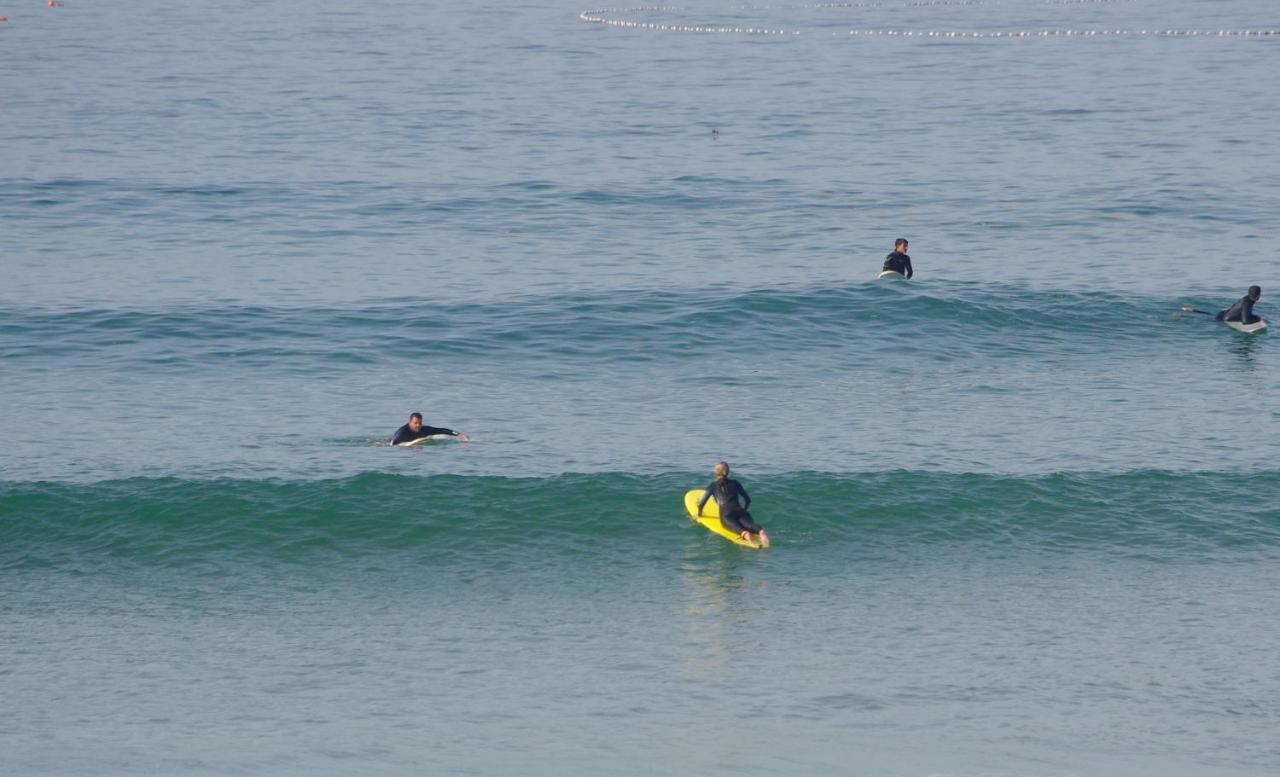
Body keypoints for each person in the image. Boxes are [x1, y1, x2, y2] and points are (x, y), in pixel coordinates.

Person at [696, 461, 770, 547]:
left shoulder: (713, 485)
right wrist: (743, 511)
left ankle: (746, 534)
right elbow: (748, 500)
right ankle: (761, 532)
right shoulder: (735, 482)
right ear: (728, 472)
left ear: (716, 472)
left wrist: (699, 514)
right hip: (740, 511)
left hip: (726, 515)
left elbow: (701, 503)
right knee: (750, 525)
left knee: (739, 529)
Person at [390, 412, 470, 445]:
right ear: (410, 422)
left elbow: (441, 430)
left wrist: (458, 434)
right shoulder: (402, 432)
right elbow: (393, 444)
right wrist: (411, 444)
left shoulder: (425, 429)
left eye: (420, 423)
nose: (418, 425)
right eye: (415, 423)